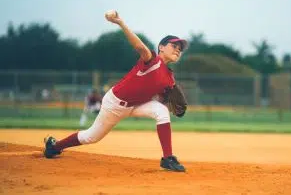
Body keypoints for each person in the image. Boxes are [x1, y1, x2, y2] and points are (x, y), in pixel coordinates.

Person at [43, 10, 188, 172]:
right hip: (115, 104)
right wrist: (120, 23)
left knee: (162, 111)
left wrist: (166, 101)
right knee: (91, 137)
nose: (177, 50)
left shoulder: (170, 77)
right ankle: (54, 147)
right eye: (174, 45)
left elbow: (161, 97)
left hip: (136, 105)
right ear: (161, 47)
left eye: (180, 49)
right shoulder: (152, 60)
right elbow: (140, 47)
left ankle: (168, 158)